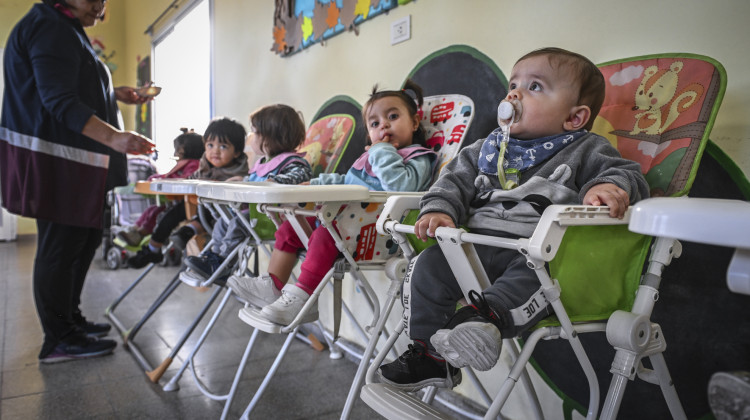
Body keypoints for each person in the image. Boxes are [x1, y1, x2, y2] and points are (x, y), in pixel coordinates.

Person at [376, 47, 651, 391]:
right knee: (428, 265)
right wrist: (439, 210)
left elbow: (628, 174)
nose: (514, 94)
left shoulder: (586, 148)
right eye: (513, 84)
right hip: (473, 249)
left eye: (534, 87)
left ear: (574, 118)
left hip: (534, 255)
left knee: (534, 276)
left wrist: (608, 187)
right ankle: (429, 356)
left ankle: (483, 320)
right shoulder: (484, 149)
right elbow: (451, 182)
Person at [0, 0, 155, 363]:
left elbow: (66, 84)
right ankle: (59, 338)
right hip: (57, 160)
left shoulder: (66, 27)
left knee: (82, 240)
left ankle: (70, 320)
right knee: (61, 244)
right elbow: (58, 100)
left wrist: (112, 94)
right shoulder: (49, 26)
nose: (100, 7)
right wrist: (117, 137)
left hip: (75, 160)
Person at [228, 79, 438, 325]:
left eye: (393, 116)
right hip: (345, 224)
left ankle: (304, 300)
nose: (384, 126)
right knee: (290, 229)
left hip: (375, 236)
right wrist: (316, 184)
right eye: (375, 123)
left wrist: (381, 151)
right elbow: (348, 180)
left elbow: (400, 187)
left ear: (414, 122)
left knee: (323, 237)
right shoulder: (375, 155)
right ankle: (273, 286)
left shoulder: (418, 158)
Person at [181, 104, 312, 282]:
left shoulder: (293, 161)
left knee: (236, 223)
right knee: (222, 223)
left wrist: (275, 182)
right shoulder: (263, 163)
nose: (251, 139)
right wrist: (243, 182)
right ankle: (215, 258)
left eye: (256, 134)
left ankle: (224, 264)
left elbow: (301, 175)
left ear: (271, 138)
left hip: (273, 220)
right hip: (254, 214)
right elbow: (254, 183)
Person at [128, 117, 249, 268]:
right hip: (198, 207)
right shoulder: (205, 167)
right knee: (170, 214)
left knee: (208, 206)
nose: (215, 151)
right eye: (210, 145)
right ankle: (153, 248)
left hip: (224, 215)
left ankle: (189, 230)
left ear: (237, 152)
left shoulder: (239, 174)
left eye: (223, 146)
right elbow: (190, 179)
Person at [116, 129, 204, 247]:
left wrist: (163, 179)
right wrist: (156, 177)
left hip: (189, 204)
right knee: (151, 209)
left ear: (185, 150)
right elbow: (170, 176)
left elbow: (185, 179)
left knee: (156, 212)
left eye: (177, 150)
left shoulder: (195, 164)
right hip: (178, 201)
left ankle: (141, 233)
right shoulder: (186, 163)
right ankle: (135, 230)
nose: (175, 154)